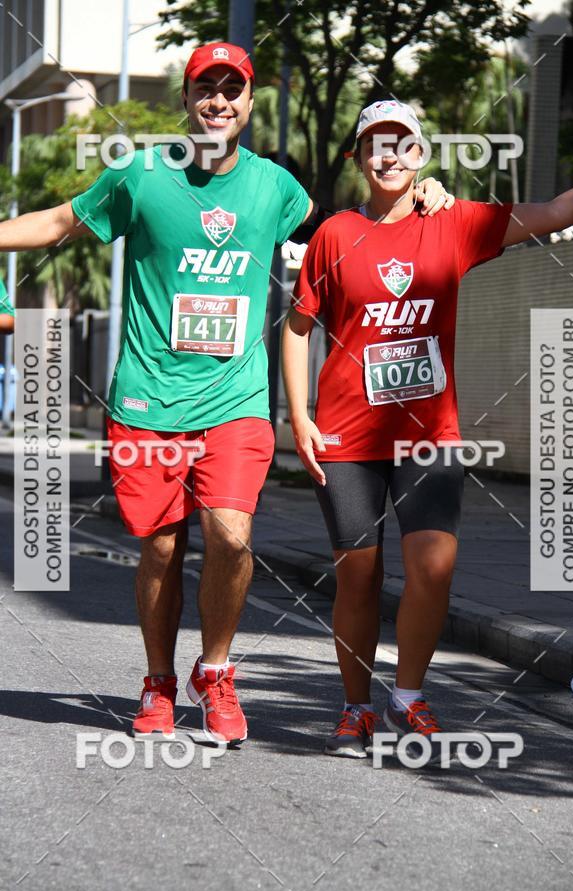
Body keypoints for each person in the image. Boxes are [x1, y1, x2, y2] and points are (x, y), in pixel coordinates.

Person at [0, 48, 451, 747]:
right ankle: (157, 681)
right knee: (158, 550)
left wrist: (427, 195)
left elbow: (351, 233)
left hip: (237, 402)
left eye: (232, 89)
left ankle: (214, 671)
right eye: (205, 88)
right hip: (147, 400)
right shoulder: (141, 176)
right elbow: (60, 223)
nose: (219, 100)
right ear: (187, 100)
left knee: (232, 536)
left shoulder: (277, 189)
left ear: (248, 103)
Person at [282, 98, 573, 759]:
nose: (388, 154)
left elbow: (564, 209)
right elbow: (297, 326)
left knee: (434, 568)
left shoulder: (454, 223)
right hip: (346, 437)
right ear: (358, 159)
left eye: (402, 143)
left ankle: (409, 696)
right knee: (359, 577)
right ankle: (355, 706)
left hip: (428, 434)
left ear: (421, 154)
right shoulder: (336, 234)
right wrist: (299, 416)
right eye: (374, 143)